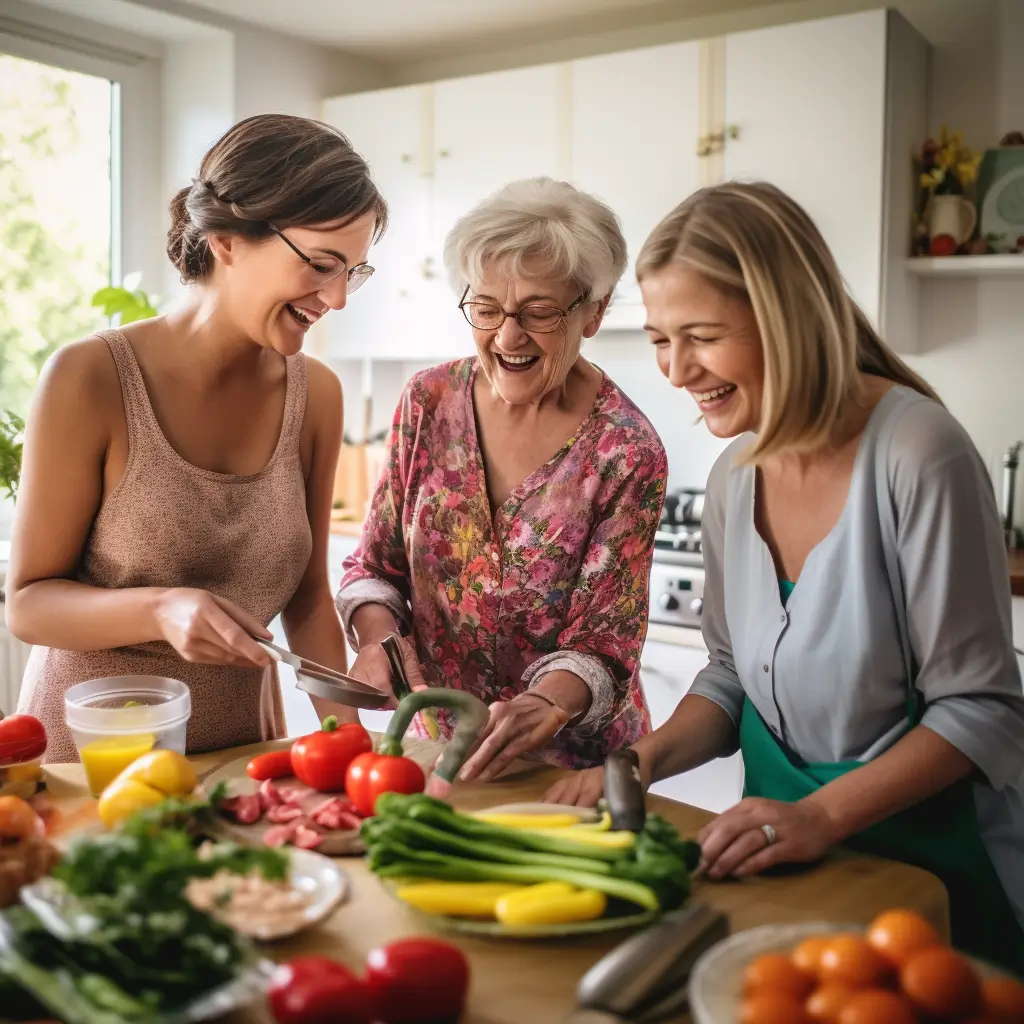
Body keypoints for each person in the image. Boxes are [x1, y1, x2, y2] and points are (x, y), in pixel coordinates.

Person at [545, 181, 1024, 969]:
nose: (675, 370)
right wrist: (636, 765)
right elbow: (731, 679)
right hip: (789, 864)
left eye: (700, 335)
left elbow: (979, 712)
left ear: (786, 316)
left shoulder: (917, 454)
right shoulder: (737, 475)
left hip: (932, 881)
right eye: (661, 339)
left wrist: (819, 816)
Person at [7, 114, 387, 763]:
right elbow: (28, 604)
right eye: (323, 265)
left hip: (243, 757)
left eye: (354, 271)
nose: (338, 298)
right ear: (228, 238)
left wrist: (350, 746)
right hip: (92, 762)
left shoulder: (316, 394)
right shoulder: (89, 377)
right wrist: (159, 609)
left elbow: (307, 598)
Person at [335, 177, 667, 782]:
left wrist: (543, 704)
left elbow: (602, 644)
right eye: (486, 309)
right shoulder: (427, 401)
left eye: (538, 312)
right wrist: (378, 641)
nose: (507, 337)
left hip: (565, 771)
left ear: (594, 312)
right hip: (435, 752)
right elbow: (373, 569)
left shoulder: (625, 449)